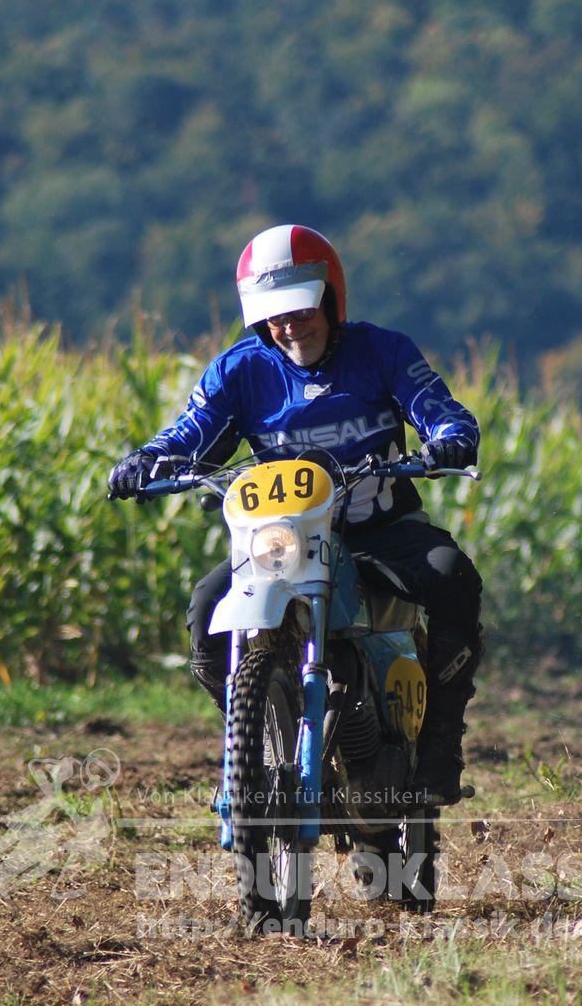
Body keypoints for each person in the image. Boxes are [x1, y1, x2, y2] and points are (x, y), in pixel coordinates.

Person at [107, 224, 483, 803]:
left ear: (330, 299)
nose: (290, 326)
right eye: (274, 316)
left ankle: (440, 746)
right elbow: (189, 434)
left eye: (301, 310)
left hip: (383, 532)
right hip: (284, 542)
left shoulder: (384, 352)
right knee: (206, 610)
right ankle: (253, 749)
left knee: (454, 577)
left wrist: (450, 439)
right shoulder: (239, 370)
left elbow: (440, 410)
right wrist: (147, 460)